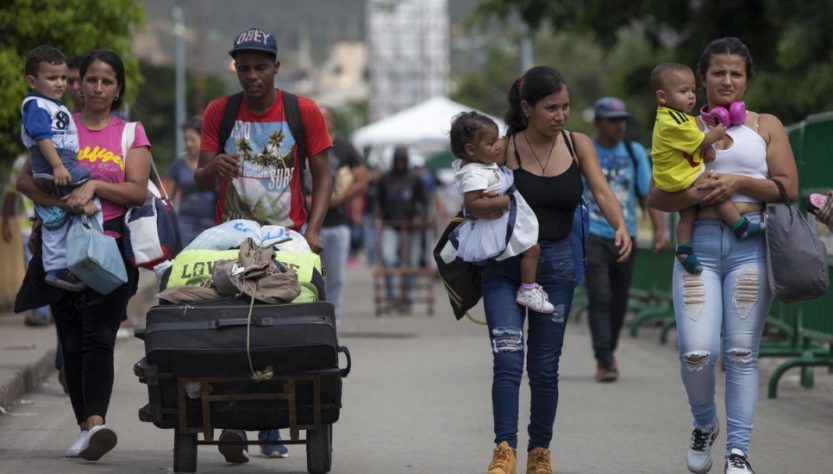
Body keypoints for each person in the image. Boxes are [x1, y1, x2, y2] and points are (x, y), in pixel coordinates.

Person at [647, 37, 798, 474]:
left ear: (746, 78)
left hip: (751, 247)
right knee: (696, 352)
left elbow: (788, 187)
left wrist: (737, 185)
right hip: (700, 248)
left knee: (740, 353)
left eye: (736, 73)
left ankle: (738, 452)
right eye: (718, 72)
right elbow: (656, 194)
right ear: (703, 78)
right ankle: (703, 423)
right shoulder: (679, 125)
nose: (727, 80)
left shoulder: (766, 124)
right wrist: (695, 192)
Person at [472, 66, 632, 474]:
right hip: (505, 268)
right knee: (508, 359)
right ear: (527, 108)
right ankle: (504, 450)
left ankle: (539, 452)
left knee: (544, 366)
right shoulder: (504, 149)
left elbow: (601, 190)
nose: (561, 115)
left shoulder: (578, 145)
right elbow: (473, 193)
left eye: (565, 106)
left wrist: (621, 226)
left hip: (559, 265)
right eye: (551, 107)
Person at [194, 27, 333, 462]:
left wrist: (312, 231)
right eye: (244, 67)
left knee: (280, 334)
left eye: (260, 67)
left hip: (286, 238)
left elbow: (324, 176)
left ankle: (272, 425)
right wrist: (213, 166)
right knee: (233, 332)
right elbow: (198, 177)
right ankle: (235, 422)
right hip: (231, 238)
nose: (251, 75)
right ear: (235, 68)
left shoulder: (302, 111)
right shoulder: (220, 111)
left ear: (276, 67)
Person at [16, 49, 150, 462]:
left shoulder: (130, 134)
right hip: (61, 252)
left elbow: (137, 191)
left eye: (106, 81)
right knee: (71, 342)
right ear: (78, 84)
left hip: (110, 251)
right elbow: (24, 180)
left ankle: (96, 423)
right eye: (90, 79)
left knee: (99, 339)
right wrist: (63, 204)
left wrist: (92, 186)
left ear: (117, 89)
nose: (96, 88)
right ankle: (85, 428)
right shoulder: (58, 124)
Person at [650, 62, 764, 275]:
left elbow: (691, 146)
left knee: (688, 213)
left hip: (674, 174)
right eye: (683, 91)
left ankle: (684, 248)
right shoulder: (673, 121)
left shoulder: (675, 117)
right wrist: (716, 133)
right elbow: (700, 140)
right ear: (662, 97)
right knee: (713, 184)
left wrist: (706, 150)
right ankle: (739, 226)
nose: (691, 97)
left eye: (692, 91)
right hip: (677, 177)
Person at [584, 97, 667, 382]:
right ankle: (604, 359)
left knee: (619, 300)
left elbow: (648, 194)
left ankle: (609, 351)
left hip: (625, 234)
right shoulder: (586, 151)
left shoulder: (634, 153)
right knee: (600, 296)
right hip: (592, 233)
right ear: (598, 122)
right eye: (612, 120)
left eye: (622, 120)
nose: (619, 126)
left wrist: (660, 230)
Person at [448, 111, 554, 314]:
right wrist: (504, 201)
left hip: (499, 223)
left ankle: (528, 288)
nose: (498, 144)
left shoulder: (483, 165)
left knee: (531, 249)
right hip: (495, 227)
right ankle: (528, 289)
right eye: (490, 142)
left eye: (497, 138)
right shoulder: (474, 173)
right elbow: (472, 204)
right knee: (532, 249)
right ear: (470, 149)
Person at [20, 45, 90, 292]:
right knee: (90, 187)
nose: (60, 83)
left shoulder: (54, 105)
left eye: (63, 78)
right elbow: (41, 137)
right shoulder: (36, 105)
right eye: (52, 78)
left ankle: (62, 266)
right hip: (54, 167)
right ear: (32, 81)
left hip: (60, 164)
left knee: (58, 220)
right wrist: (58, 166)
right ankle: (56, 268)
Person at [318, 106, 367, 327]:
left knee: (336, 278)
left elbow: (362, 180)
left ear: (332, 122)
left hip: (337, 224)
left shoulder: (345, 148)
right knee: (311, 279)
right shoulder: (302, 147)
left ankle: (332, 324)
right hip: (308, 224)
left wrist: (340, 198)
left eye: (324, 118)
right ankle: (312, 322)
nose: (320, 122)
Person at [376, 146, 428, 313]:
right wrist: (379, 216)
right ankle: (391, 296)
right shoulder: (385, 179)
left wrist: (420, 216)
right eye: (397, 160)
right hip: (391, 224)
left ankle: (408, 297)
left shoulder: (415, 178)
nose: (399, 164)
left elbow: (424, 200)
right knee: (389, 258)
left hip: (411, 225)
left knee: (411, 262)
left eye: (402, 161)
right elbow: (378, 200)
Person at [165, 117, 216, 246]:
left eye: (192, 140)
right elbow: (167, 198)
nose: (188, 144)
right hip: (185, 224)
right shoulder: (177, 165)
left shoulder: (215, 163)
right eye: (186, 140)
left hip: (211, 224)